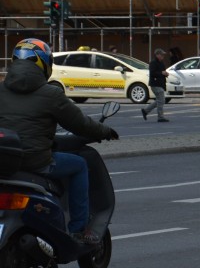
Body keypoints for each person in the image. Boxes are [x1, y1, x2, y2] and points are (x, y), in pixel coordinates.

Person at [0, 38, 118, 244]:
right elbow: (80, 124)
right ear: (44, 64)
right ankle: (78, 228)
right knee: (80, 165)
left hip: (4, 161)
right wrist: (105, 131)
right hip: (35, 161)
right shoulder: (51, 94)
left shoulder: (1, 89)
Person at [142, 48, 169, 122]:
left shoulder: (161, 62)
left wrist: (166, 74)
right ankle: (160, 117)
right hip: (155, 84)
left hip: (160, 84)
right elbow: (152, 73)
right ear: (157, 55)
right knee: (161, 100)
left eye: (163, 55)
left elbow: (163, 71)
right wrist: (161, 73)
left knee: (159, 100)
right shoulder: (153, 63)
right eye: (161, 54)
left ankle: (145, 110)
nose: (163, 56)